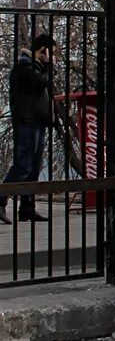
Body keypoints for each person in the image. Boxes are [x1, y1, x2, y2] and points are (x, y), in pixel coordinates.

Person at [1, 34, 56, 224]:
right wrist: (49, 65)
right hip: (26, 121)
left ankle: (27, 208)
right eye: (49, 52)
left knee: (33, 167)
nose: (51, 57)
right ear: (42, 50)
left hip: (37, 121)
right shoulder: (24, 66)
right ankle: (1, 199)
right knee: (23, 165)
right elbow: (41, 83)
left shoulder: (36, 67)